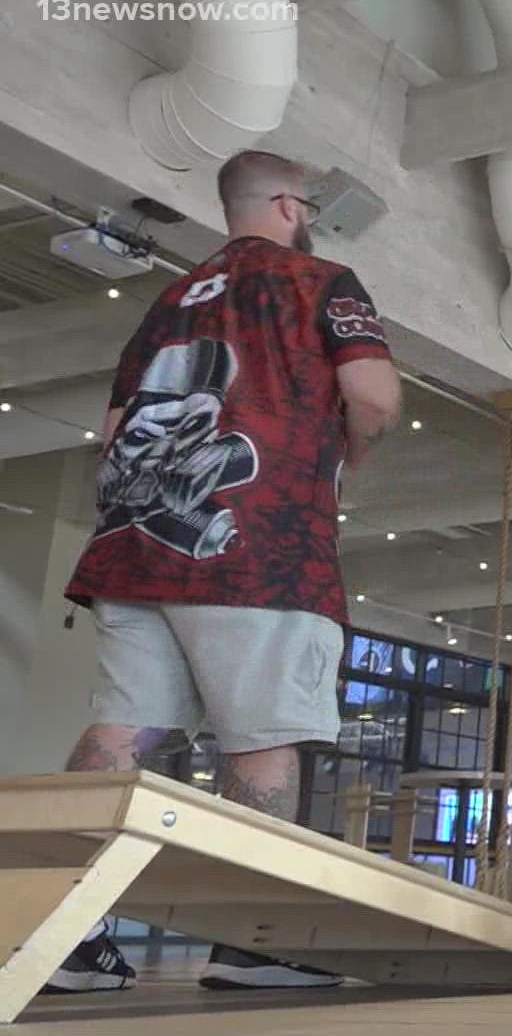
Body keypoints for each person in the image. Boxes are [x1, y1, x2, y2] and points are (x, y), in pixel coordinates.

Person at [47, 149, 403, 995]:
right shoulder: (323, 279)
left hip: (136, 545)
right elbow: (376, 396)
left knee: (121, 728)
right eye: (309, 203)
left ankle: (65, 930)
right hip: (261, 547)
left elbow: (113, 426)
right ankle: (255, 941)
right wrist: (345, 456)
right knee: (265, 736)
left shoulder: (170, 299)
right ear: (287, 204)